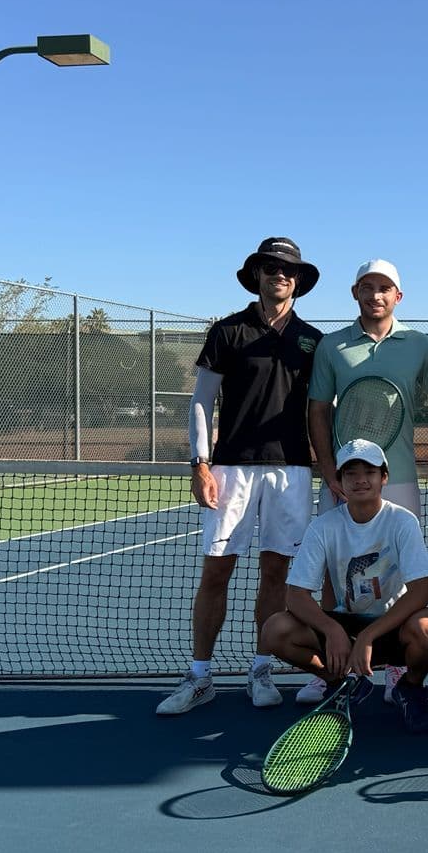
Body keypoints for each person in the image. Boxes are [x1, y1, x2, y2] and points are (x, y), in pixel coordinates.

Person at [158, 237, 323, 716]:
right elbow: (200, 403)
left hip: (291, 471)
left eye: (288, 270)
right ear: (256, 275)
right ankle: (200, 675)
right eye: (270, 268)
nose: (280, 275)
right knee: (217, 571)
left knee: (276, 572)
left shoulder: (312, 341)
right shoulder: (226, 332)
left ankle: (260, 670)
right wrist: (200, 463)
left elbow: (319, 411)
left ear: (298, 280)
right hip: (230, 468)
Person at [300, 258, 428, 704]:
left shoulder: (419, 344)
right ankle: (332, 666)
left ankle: (396, 665)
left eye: (384, 288)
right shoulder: (332, 346)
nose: (375, 295)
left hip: (397, 475)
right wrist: (328, 469)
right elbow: (319, 409)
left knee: (398, 571)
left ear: (398, 296)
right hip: (345, 475)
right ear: (355, 292)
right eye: (367, 287)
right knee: (330, 569)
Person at [259, 439, 428, 734]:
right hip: (343, 626)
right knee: (274, 629)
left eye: (368, 472)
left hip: (390, 627)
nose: (359, 480)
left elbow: (421, 590)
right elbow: (295, 595)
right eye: (350, 473)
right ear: (340, 481)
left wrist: (369, 635)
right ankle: (342, 682)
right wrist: (332, 630)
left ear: (384, 477)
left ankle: (410, 689)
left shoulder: (402, 521)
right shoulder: (323, 526)